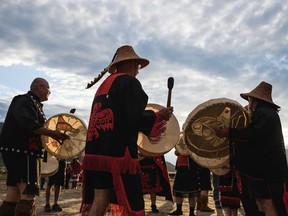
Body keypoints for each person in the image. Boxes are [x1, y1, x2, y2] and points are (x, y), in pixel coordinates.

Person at [80, 45, 173, 216]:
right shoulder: (129, 82)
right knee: (132, 203)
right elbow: (133, 117)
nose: (138, 71)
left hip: (96, 155)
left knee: (100, 200)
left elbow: (119, 115)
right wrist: (158, 116)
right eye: (137, 66)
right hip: (118, 155)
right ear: (130, 63)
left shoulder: (104, 85)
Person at [216, 81, 288, 216]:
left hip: (267, 171)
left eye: (249, 99)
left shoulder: (266, 113)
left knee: (267, 204)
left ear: (254, 100)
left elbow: (253, 134)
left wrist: (230, 132)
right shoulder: (262, 114)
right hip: (261, 170)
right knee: (261, 203)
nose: (249, 103)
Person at [0, 77, 69, 216]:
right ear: (39, 87)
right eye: (48, 88)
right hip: (23, 152)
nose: (50, 91)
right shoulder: (24, 100)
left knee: (13, 193)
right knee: (28, 193)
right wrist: (52, 133)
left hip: (22, 152)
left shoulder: (33, 103)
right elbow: (28, 124)